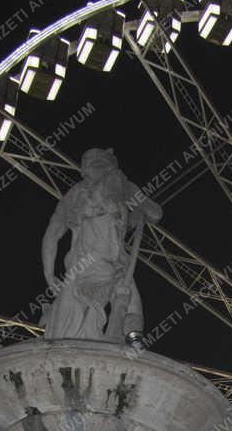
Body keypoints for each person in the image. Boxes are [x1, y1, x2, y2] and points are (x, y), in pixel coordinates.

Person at [41, 147, 162, 345]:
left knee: (127, 305)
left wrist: (49, 273)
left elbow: (51, 234)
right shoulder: (117, 186)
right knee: (129, 305)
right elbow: (155, 213)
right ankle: (131, 344)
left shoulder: (106, 188)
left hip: (94, 266)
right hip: (98, 265)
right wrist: (136, 210)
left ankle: (129, 343)